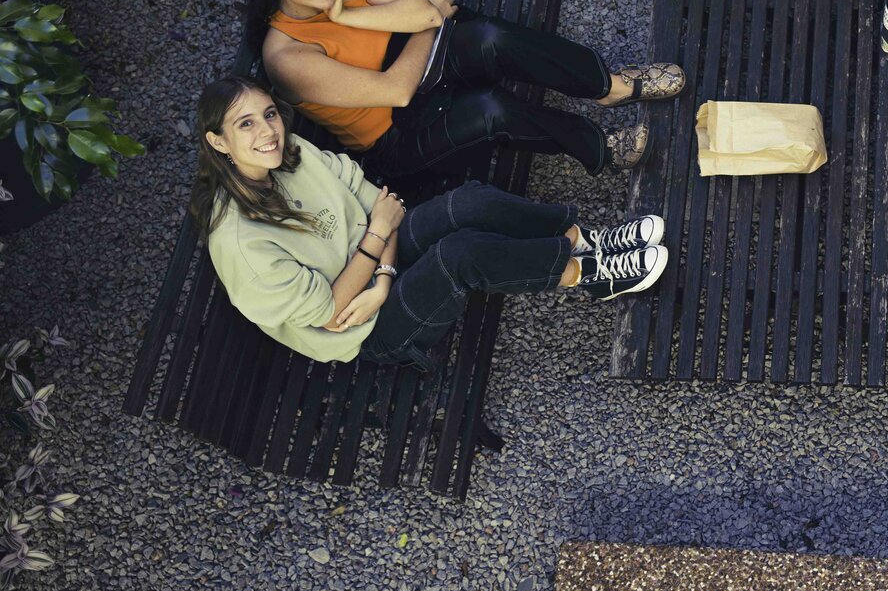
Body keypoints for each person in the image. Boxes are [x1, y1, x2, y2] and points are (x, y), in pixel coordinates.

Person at [190, 75, 669, 370]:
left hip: (377, 272)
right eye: (245, 124)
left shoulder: (291, 152)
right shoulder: (241, 243)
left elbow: (382, 205)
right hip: (369, 331)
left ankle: (584, 240)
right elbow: (331, 312)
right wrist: (379, 242)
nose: (268, 132)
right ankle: (587, 274)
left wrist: (382, 275)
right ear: (218, 142)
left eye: (268, 114)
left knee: (468, 203)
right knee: (461, 255)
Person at [249, 0, 685, 178]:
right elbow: (397, 89)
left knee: (489, 38)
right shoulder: (287, 57)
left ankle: (608, 87)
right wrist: (430, 18)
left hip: (419, 73)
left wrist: (347, 15)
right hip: (396, 136)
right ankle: (601, 149)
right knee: (490, 108)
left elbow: (422, 14)